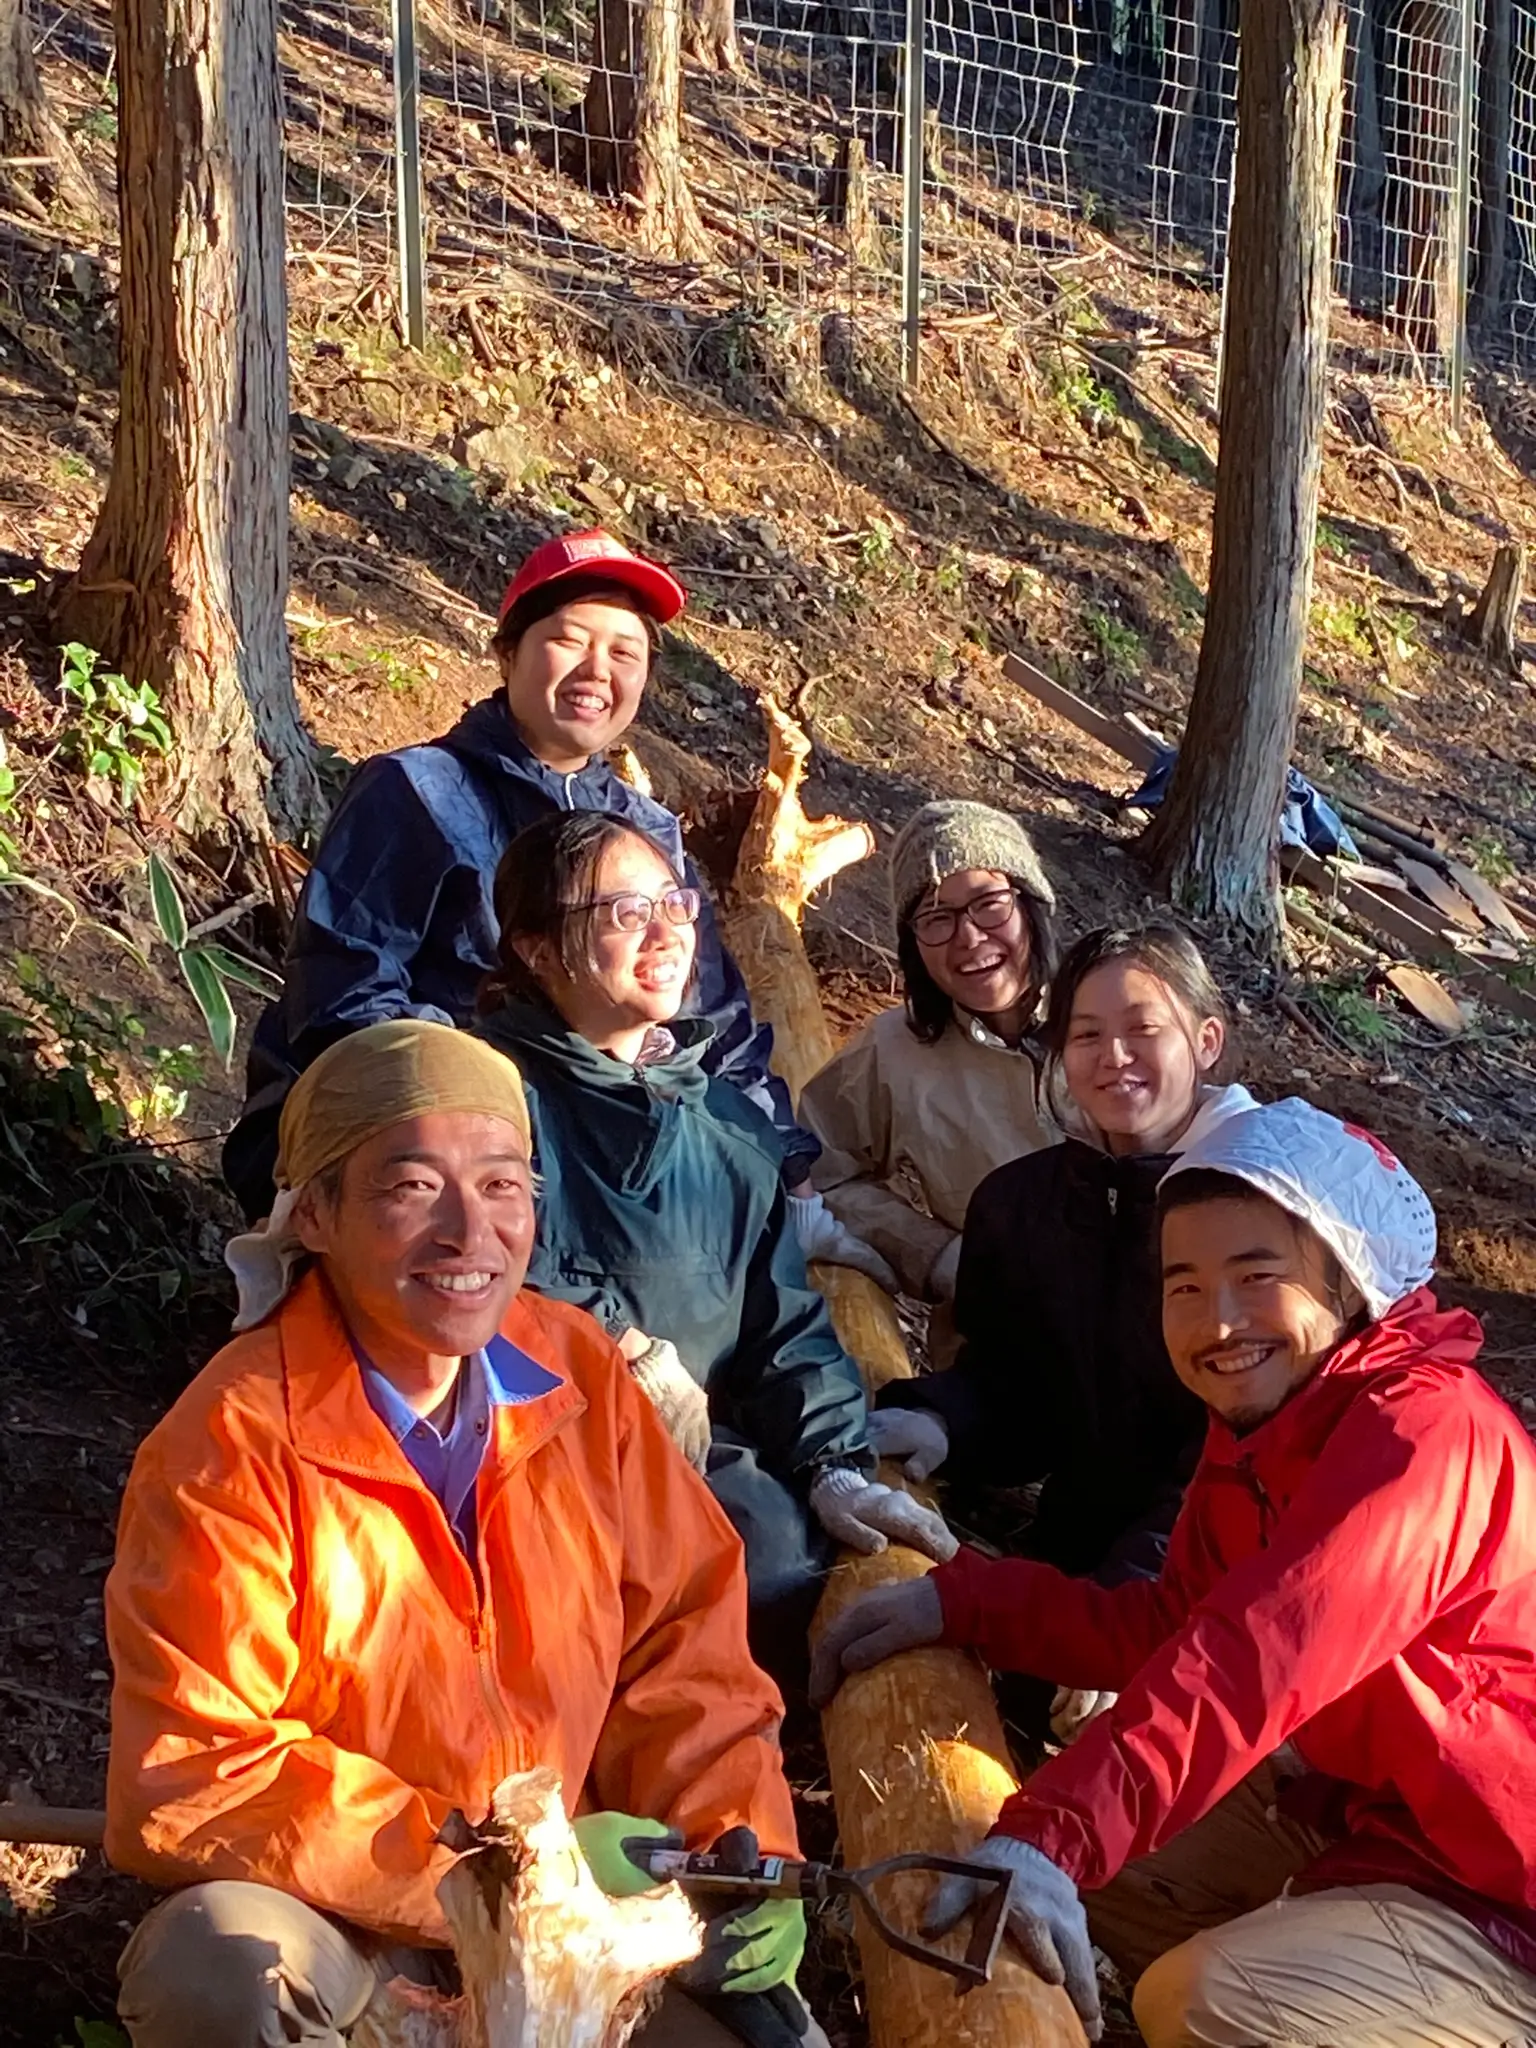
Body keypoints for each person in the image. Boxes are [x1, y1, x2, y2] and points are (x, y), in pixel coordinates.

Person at [109, 1020, 826, 2048]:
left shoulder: (579, 1375)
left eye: (501, 1184)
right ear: (316, 1212)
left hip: (584, 1929)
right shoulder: (232, 1442)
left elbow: (687, 1647)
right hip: (355, 1926)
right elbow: (200, 1765)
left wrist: (733, 1852)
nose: (468, 1231)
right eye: (412, 1186)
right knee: (217, 1967)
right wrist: (511, 1871)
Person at [811, 1099, 1536, 2048]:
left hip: (1498, 1878)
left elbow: (1251, 1663)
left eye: (1258, 1276)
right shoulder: (1270, 1422)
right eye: (1183, 1284)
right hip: (1374, 1813)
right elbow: (1170, 1625)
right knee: (1083, 1863)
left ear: (1350, 1280)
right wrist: (965, 1601)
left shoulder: (1421, 1437)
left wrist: (1052, 1838)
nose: (1217, 1320)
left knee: (1202, 2000)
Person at [222, 528, 824, 1228]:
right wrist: (498, 1112)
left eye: (624, 653)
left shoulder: (647, 832)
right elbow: (343, 998)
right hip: (418, 1142)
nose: (596, 671)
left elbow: (713, 1019)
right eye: (569, 641)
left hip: (598, 1154)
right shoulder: (416, 793)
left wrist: (786, 1171)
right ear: (508, 652)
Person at [471, 810, 955, 1672]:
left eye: (675, 904)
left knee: (777, 1564)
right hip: (519, 1438)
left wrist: (835, 1463)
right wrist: (617, 1352)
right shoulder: (488, 1097)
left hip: (695, 1441)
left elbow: (783, 1324)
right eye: (624, 913)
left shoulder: (726, 1127)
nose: (664, 933)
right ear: (538, 951)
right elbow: (473, 1269)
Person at [871, 922, 1254, 1585]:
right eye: (1086, 1035)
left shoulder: (1264, 1214)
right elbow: (1020, 1386)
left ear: (1206, 1041)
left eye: (1143, 1029)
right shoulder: (1026, 1205)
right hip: (1073, 1559)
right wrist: (944, 1421)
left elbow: (1254, 1455)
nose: (1114, 1056)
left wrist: (1126, 1601)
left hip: (1226, 1583)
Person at [798, 800, 1060, 1363]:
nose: (968, 937)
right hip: (997, 1355)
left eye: (989, 904)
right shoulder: (897, 1051)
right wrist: (942, 1257)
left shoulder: (1109, 1011)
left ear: (1031, 903)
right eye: (937, 918)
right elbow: (812, 1172)